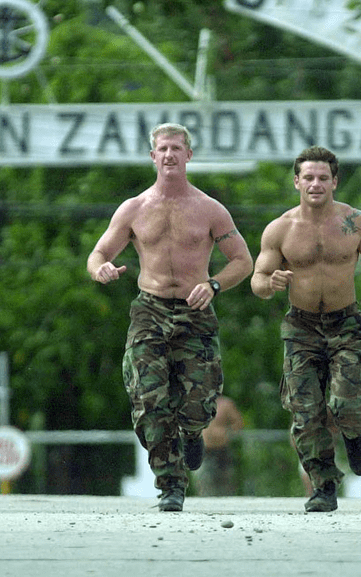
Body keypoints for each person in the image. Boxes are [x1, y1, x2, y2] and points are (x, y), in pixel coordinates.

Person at [87, 123, 253, 512]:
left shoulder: (210, 209)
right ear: (152, 156)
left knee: (198, 404)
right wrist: (102, 270)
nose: (169, 155)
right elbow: (97, 255)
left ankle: (193, 431)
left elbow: (243, 261)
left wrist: (213, 285)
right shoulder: (134, 208)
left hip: (196, 312)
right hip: (150, 309)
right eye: (162, 148)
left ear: (188, 155)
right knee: (149, 399)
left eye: (177, 148)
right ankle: (171, 484)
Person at [251, 145, 361, 512]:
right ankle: (323, 486)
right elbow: (258, 280)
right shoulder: (280, 230)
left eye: (323, 178)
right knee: (305, 411)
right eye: (308, 177)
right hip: (301, 326)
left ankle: (355, 430)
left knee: (345, 403)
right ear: (297, 181)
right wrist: (271, 283)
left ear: (335, 182)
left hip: (345, 322)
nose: (316, 184)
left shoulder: (356, 222)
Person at [197, 395, 244, 496]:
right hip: (203, 450)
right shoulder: (197, 403)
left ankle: (227, 504)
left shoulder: (225, 404)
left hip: (221, 449)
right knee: (204, 481)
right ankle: (206, 504)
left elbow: (238, 423)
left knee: (225, 481)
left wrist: (227, 433)